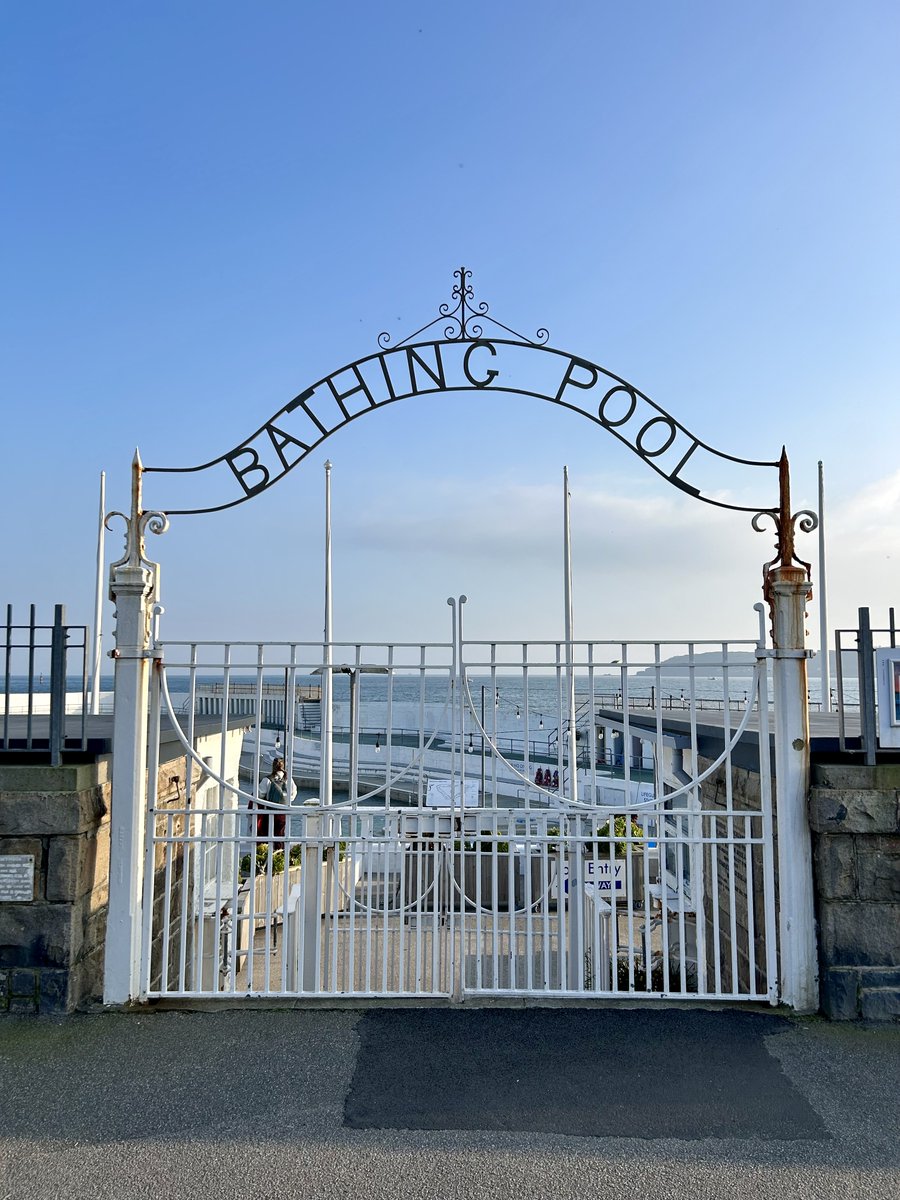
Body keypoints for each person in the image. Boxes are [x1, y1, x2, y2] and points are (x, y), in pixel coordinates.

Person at [254, 757, 296, 851]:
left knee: (266, 835)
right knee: (281, 835)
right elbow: (293, 795)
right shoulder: (289, 780)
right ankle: (280, 854)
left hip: (270, 812)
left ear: (273, 766)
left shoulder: (268, 779)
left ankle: (267, 856)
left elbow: (259, 794)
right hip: (284, 813)